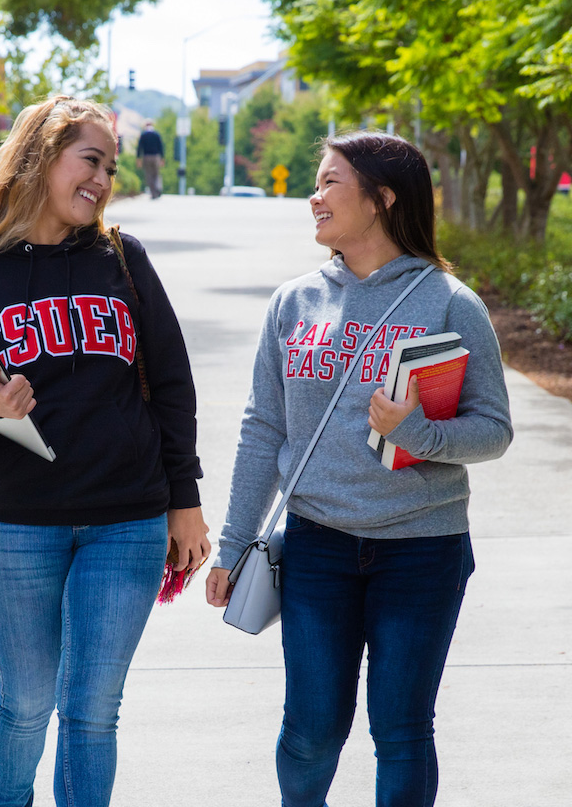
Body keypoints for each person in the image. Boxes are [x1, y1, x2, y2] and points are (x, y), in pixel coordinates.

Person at [0, 94, 210, 807]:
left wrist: (185, 501)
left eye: (111, 166)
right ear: (41, 158)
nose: (103, 179)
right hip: (15, 526)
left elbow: (170, 384)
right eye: (90, 160)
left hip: (127, 520)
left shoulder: (121, 261)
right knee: (27, 700)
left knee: (93, 710)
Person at [205, 131, 512, 807]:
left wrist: (419, 433)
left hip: (422, 551)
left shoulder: (452, 304)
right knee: (311, 730)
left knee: (401, 731)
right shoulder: (294, 303)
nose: (314, 197)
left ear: (381, 198)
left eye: (329, 182)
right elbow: (263, 429)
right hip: (317, 546)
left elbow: (493, 430)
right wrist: (232, 546)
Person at [136, 120, 166, 199]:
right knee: (156, 174)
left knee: (149, 175)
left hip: (146, 157)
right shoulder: (156, 134)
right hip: (156, 156)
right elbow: (161, 146)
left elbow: (139, 148)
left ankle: (153, 193)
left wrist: (138, 159)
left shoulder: (143, 135)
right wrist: (162, 158)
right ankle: (158, 188)